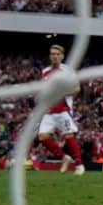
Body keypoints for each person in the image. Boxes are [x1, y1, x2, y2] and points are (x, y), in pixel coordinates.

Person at [35, 44, 84, 174]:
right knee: (42, 137)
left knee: (68, 135)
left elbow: (76, 88)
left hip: (63, 110)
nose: (55, 56)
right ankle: (64, 158)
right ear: (50, 56)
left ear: (62, 56)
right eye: (52, 54)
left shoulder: (68, 71)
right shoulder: (45, 71)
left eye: (57, 54)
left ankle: (79, 165)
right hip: (49, 111)